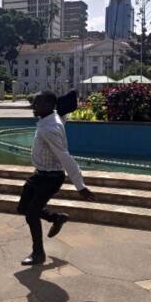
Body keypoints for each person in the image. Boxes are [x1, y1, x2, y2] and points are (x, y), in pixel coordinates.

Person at [17, 91, 96, 266]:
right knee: (23, 208)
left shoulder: (49, 129)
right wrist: (67, 103)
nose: (33, 106)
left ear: (47, 106)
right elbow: (62, 113)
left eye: (37, 103)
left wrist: (80, 186)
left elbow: (65, 157)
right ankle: (56, 218)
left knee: (31, 214)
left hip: (50, 178)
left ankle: (38, 254)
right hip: (40, 174)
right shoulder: (52, 117)